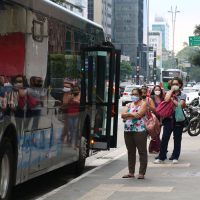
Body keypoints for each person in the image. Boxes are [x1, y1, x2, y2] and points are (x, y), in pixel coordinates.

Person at [154, 77, 186, 164]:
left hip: (178, 119)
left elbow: (181, 105)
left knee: (177, 138)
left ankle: (175, 156)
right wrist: (171, 91)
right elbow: (166, 99)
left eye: (177, 84)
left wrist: (173, 100)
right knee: (165, 137)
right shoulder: (168, 93)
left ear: (180, 85)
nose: (175, 85)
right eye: (173, 84)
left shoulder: (182, 95)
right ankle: (162, 156)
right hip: (168, 118)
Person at [121, 87, 147, 179]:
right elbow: (122, 115)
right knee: (130, 151)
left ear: (140, 95)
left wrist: (128, 115)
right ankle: (131, 172)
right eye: (132, 94)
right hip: (128, 130)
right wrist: (132, 115)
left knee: (142, 151)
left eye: (136, 94)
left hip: (139, 130)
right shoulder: (128, 104)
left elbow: (139, 114)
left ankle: (141, 173)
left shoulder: (144, 104)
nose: (134, 96)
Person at [149, 85, 165, 154]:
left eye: (158, 90)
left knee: (158, 133)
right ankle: (154, 148)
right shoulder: (151, 98)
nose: (157, 91)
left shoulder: (162, 98)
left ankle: (156, 147)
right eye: (156, 89)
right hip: (153, 117)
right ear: (153, 90)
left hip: (160, 117)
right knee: (154, 133)